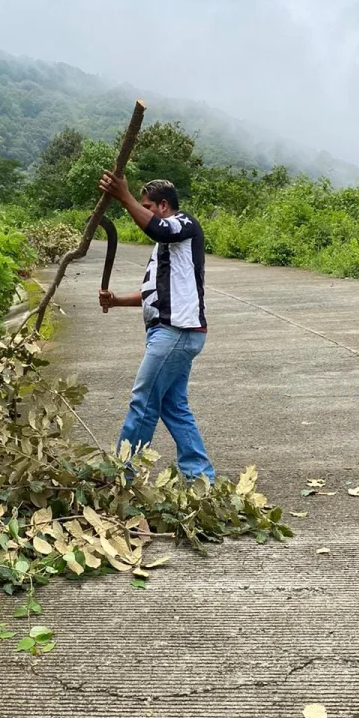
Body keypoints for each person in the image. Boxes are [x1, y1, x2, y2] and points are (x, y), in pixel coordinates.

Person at [96, 171, 215, 484]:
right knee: (172, 406)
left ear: (164, 206)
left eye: (146, 206)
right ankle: (200, 476)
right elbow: (153, 294)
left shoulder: (183, 224)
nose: (141, 211)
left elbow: (160, 230)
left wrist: (124, 196)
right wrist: (117, 300)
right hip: (174, 332)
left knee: (143, 401)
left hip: (176, 331)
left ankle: (122, 475)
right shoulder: (165, 250)